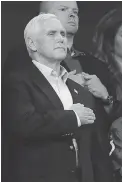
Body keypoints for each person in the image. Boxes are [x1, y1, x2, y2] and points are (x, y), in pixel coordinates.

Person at [3, 2, 114, 182]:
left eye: (62, 34)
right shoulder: (17, 80)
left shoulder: (77, 87)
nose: (61, 38)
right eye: (52, 33)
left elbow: (93, 146)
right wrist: (73, 117)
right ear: (32, 43)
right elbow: (22, 124)